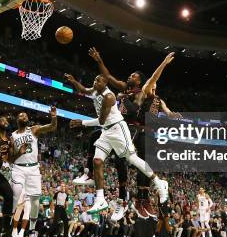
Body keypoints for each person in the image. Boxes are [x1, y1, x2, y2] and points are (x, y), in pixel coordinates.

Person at [66, 74, 169, 214]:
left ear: (105, 84)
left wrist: (83, 122)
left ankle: (158, 182)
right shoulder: (96, 90)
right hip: (107, 131)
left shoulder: (109, 97)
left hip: (118, 129)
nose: (95, 82)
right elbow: (84, 90)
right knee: (97, 161)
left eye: (99, 80)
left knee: (132, 159)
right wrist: (74, 81)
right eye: (95, 79)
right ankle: (100, 200)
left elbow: (101, 121)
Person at [9, 107, 57, 237]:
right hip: (18, 169)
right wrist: (20, 152)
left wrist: (53, 117)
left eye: (25, 115)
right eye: (20, 115)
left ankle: (32, 231)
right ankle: (11, 229)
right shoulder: (13, 136)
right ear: (17, 120)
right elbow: (11, 158)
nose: (23, 116)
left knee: (35, 201)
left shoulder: (34, 129)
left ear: (28, 120)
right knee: (16, 197)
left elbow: (53, 127)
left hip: (33, 169)